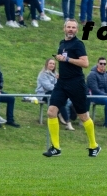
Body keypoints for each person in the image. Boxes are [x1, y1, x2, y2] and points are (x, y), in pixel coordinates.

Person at [43, 19, 101, 157]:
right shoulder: (62, 44)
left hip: (76, 83)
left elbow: (85, 63)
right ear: (64, 28)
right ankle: (55, 147)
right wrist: (59, 73)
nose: (70, 29)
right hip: (62, 83)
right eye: (68, 27)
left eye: (73, 27)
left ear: (77, 30)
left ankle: (94, 146)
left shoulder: (78, 44)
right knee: (51, 112)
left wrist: (67, 59)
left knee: (83, 116)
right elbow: (63, 62)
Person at [36, 58, 74, 131]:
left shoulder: (56, 74)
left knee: (61, 99)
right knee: (60, 100)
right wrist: (58, 84)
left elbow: (61, 85)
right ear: (47, 64)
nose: (52, 65)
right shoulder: (43, 74)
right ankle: (67, 122)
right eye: (50, 63)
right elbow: (48, 87)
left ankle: (64, 117)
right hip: (44, 94)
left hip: (54, 94)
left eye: (53, 64)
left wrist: (59, 80)